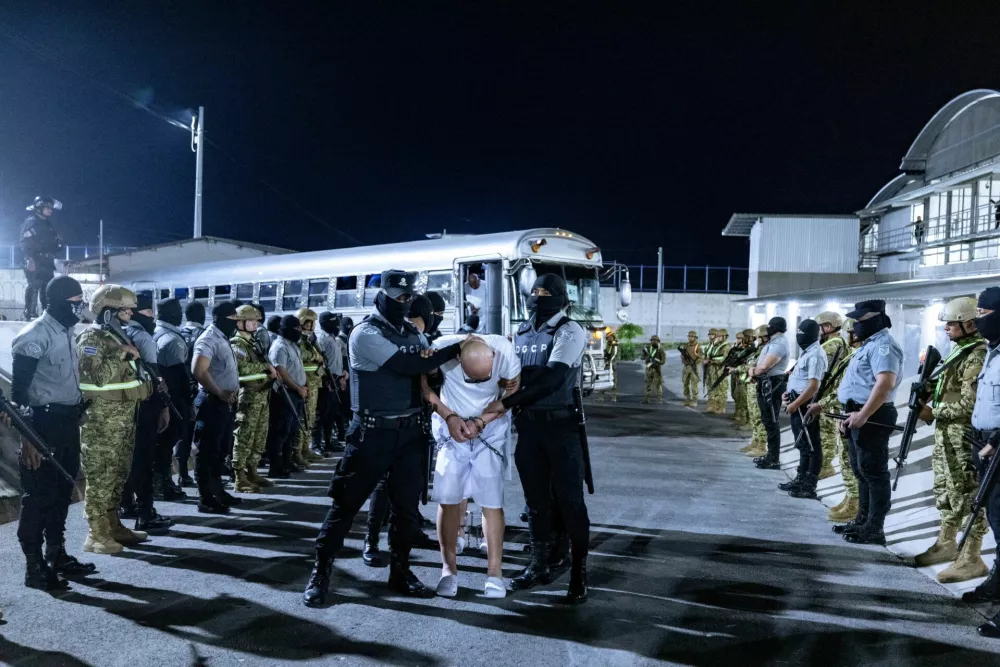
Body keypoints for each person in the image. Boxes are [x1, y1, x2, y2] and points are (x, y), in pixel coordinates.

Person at [303, 270, 471, 607]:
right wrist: (456, 348)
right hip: (371, 434)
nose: (402, 302)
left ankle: (401, 571)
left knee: (406, 510)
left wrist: (433, 364)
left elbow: (427, 370)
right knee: (345, 505)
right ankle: (320, 574)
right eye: (397, 296)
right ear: (381, 296)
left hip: (409, 434)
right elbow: (406, 365)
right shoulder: (366, 333)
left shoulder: (412, 333)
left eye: (407, 297)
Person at [490, 272, 589, 603]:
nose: (537, 297)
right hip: (529, 429)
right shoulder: (520, 332)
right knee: (535, 503)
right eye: (534, 292)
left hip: (561, 429)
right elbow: (508, 373)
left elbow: (552, 378)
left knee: (571, 503)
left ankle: (578, 574)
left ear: (560, 298)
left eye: (545, 293)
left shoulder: (569, 330)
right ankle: (539, 564)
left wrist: (505, 402)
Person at [12, 276, 95, 589]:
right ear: (58, 301)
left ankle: (56, 555)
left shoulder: (66, 331)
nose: (80, 308)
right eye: (75, 302)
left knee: (62, 491)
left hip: (66, 423)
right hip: (42, 425)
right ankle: (34, 567)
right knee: (38, 497)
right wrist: (28, 438)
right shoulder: (34, 335)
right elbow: (18, 395)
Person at [423, 334, 520, 598]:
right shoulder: (441, 348)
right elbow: (424, 386)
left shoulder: (504, 351)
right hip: (450, 428)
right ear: (457, 358)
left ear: (493, 357)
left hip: (490, 428)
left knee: (492, 500)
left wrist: (481, 421)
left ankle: (495, 573)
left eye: (484, 378)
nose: (479, 383)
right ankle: (448, 569)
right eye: (473, 379)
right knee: (448, 497)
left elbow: (512, 393)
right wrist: (449, 417)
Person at [912, 297, 988, 583]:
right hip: (947, 433)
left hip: (963, 436)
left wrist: (934, 411)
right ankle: (946, 543)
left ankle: (971, 557)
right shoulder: (959, 350)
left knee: (967, 495)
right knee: (945, 489)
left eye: (951, 323)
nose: (946, 328)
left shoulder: (977, 354)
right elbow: (948, 384)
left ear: (969, 323)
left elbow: (969, 403)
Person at [77, 285, 153, 554]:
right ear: (108, 311)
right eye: (125, 310)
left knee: (118, 474)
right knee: (100, 476)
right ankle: (95, 535)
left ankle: (112, 526)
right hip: (101, 420)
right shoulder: (91, 338)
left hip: (123, 417)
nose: (130, 313)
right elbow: (96, 377)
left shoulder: (115, 335)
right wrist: (121, 352)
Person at [832, 300, 903, 546]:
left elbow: (884, 384)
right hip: (857, 413)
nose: (856, 325)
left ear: (876, 318)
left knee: (874, 473)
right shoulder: (869, 345)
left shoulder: (884, 346)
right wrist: (849, 413)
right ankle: (862, 520)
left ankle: (874, 527)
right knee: (861, 472)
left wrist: (863, 414)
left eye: (861, 320)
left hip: (873, 415)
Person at [961, 288, 1000, 636]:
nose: (978, 320)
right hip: (987, 447)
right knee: (997, 522)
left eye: (984, 313)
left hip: (997, 448)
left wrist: (996, 441)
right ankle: (997, 585)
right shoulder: (992, 351)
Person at [119, 293, 172, 535]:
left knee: (127, 460)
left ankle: (127, 504)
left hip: (121, 407)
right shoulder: (142, 337)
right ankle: (146, 513)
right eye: (149, 311)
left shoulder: (115, 334)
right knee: (143, 460)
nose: (152, 317)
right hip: (145, 405)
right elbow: (155, 377)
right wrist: (164, 406)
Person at [807, 317, 862, 522]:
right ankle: (851, 497)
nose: (847, 336)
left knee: (850, 460)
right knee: (846, 459)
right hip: (843, 408)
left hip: (851, 411)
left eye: (850, 333)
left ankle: (855, 502)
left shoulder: (856, 354)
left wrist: (823, 403)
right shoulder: (853, 353)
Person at [190, 301, 243, 514]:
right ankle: (205, 498)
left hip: (224, 403)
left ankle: (218, 491)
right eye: (232, 319)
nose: (235, 323)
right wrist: (220, 392)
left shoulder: (223, 337)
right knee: (207, 452)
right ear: (219, 319)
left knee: (220, 451)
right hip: (212, 402)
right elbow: (198, 370)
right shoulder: (209, 339)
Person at [778, 319, 827, 499]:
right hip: (798, 403)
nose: (799, 337)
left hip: (805, 406)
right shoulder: (807, 353)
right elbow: (800, 380)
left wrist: (795, 404)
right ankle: (801, 478)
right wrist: (788, 395)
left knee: (811, 446)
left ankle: (809, 484)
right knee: (803, 445)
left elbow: (813, 386)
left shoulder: (815, 355)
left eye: (802, 333)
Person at [231, 305, 276, 493]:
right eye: (251, 320)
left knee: (259, 435)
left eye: (256, 320)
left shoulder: (253, 343)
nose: (255, 323)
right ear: (240, 322)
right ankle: (239, 477)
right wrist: (265, 367)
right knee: (244, 436)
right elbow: (242, 368)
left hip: (261, 394)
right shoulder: (237, 344)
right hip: (248, 396)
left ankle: (252, 470)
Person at [151, 298, 190, 501]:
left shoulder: (155, 333)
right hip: (172, 399)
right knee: (167, 443)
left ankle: (160, 482)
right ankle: (162, 484)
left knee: (160, 443)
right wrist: (187, 403)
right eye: (178, 311)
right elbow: (179, 376)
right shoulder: (173, 340)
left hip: (156, 397)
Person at [267, 315, 308, 478]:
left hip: (297, 392)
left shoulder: (293, 346)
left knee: (291, 431)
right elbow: (281, 373)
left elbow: (299, 368)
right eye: (296, 328)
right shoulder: (279, 347)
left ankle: (287, 463)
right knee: (281, 432)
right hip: (285, 393)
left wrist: (304, 386)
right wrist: (298, 388)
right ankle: (276, 467)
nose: (299, 331)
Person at [749, 317, 789, 470]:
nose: (768, 328)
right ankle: (770, 455)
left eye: (771, 326)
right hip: (767, 382)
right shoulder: (773, 342)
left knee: (772, 420)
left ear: (776, 328)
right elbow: (759, 363)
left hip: (773, 383)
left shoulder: (779, 343)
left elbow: (764, 366)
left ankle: (774, 458)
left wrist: (753, 372)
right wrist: (754, 370)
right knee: (767, 419)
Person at [814, 312, 848, 480]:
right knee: (824, 432)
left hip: (828, 396)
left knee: (826, 433)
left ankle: (825, 466)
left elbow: (822, 372)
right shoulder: (834, 344)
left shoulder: (831, 347)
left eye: (819, 327)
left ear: (828, 327)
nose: (818, 331)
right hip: (827, 396)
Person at [177, 301, 207, 486]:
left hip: (180, 388)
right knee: (201, 433)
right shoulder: (203, 335)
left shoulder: (178, 334)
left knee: (183, 433)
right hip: (199, 389)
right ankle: (200, 473)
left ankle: (182, 473)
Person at [20, 196, 63, 321]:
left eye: (51, 208)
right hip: (35, 259)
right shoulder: (31, 222)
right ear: (39, 207)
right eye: (48, 207)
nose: (51, 210)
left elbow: (52, 242)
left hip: (48, 261)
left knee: (47, 288)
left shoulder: (47, 224)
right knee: (34, 285)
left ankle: (46, 314)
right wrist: (29, 258)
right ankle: (30, 313)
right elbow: (24, 241)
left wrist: (58, 244)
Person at [296, 308, 327, 467]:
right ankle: (298, 451)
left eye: (313, 323)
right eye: (309, 322)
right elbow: (301, 354)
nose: (312, 325)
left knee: (311, 418)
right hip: (305, 383)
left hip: (314, 383)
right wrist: (316, 356)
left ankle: (306, 448)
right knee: (304, 418)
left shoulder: (310, 340)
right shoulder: (299, 340)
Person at [315, 311, 348, 455]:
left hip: (336, 380)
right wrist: (325, 380)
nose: (337, 325)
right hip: (326, 382)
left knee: (331, 414)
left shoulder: (333, 338)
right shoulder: (321, 339)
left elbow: (336, 360)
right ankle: (316, 445)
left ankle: (329, 442)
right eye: (333, 321)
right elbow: (320, 361)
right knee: (321, 415)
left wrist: (342, 373)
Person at [740, 325, 768, 457]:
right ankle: (755, 442)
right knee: (753, 415)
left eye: (759, 337)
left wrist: (742, 368)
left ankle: (761, 446)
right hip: (752, 385)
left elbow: (756, 366)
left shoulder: (767, 350)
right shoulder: (759, 350)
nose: (757, 339)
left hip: (758, 386)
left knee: (759, 417)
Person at [706, 328, 732, 414]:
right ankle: (713, 406)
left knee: (721, 389)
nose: (719, 338)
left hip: (721, 370)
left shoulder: (727, 346)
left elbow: (724, 359)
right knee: (713, 388)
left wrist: (711, 361)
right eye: (718, 336)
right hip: (713, 370)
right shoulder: (716, 345)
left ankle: (721, 407)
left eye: (720, 336)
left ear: (725, 337)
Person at [730, 330, 753, 425]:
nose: (740, 340)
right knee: (736, 393)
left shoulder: (751, 349)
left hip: (745, 375)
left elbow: (749, 363)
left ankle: (745, 418)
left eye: (742, 338)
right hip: (739, 373)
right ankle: (740, 414)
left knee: (744, 398)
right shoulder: (739, 347)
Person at [640, 335, 666, 404]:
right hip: (649, 368)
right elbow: (642, 357)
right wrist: (645, 356)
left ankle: (659, 399)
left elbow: (663, 361)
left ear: (658, 341)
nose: (653, 342)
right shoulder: (648, 348)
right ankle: (646, 399)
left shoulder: (660, 349)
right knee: (648, 384)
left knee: (658, 384)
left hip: (657, 369)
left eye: (655, 340)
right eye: (652, 340)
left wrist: (657, 361)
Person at [681, 330, 702, 407]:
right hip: (686, 367)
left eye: (691, 336)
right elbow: (682, 355)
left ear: (695, 337)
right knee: (685, 383)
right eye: (689, 336)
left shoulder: (698, 346)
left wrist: (694, 362)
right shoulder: (686, 346)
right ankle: (687, 399)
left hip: (694, 367)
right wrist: (684, 361)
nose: (689, 338)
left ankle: (694, 400)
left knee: (694, 385)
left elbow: (701, 357)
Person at [598, 329, 619, 403]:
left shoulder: (615, 346)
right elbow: (602, 354)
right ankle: (600, 396)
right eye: (609, 337)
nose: (610, 338)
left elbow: (617, 356)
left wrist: (613, 363)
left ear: (614, 338)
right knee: (602, 381)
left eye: (611, 337)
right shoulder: (604, 345)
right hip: (605, 366)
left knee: (614, 382)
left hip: (612, 366)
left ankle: (613, 397)